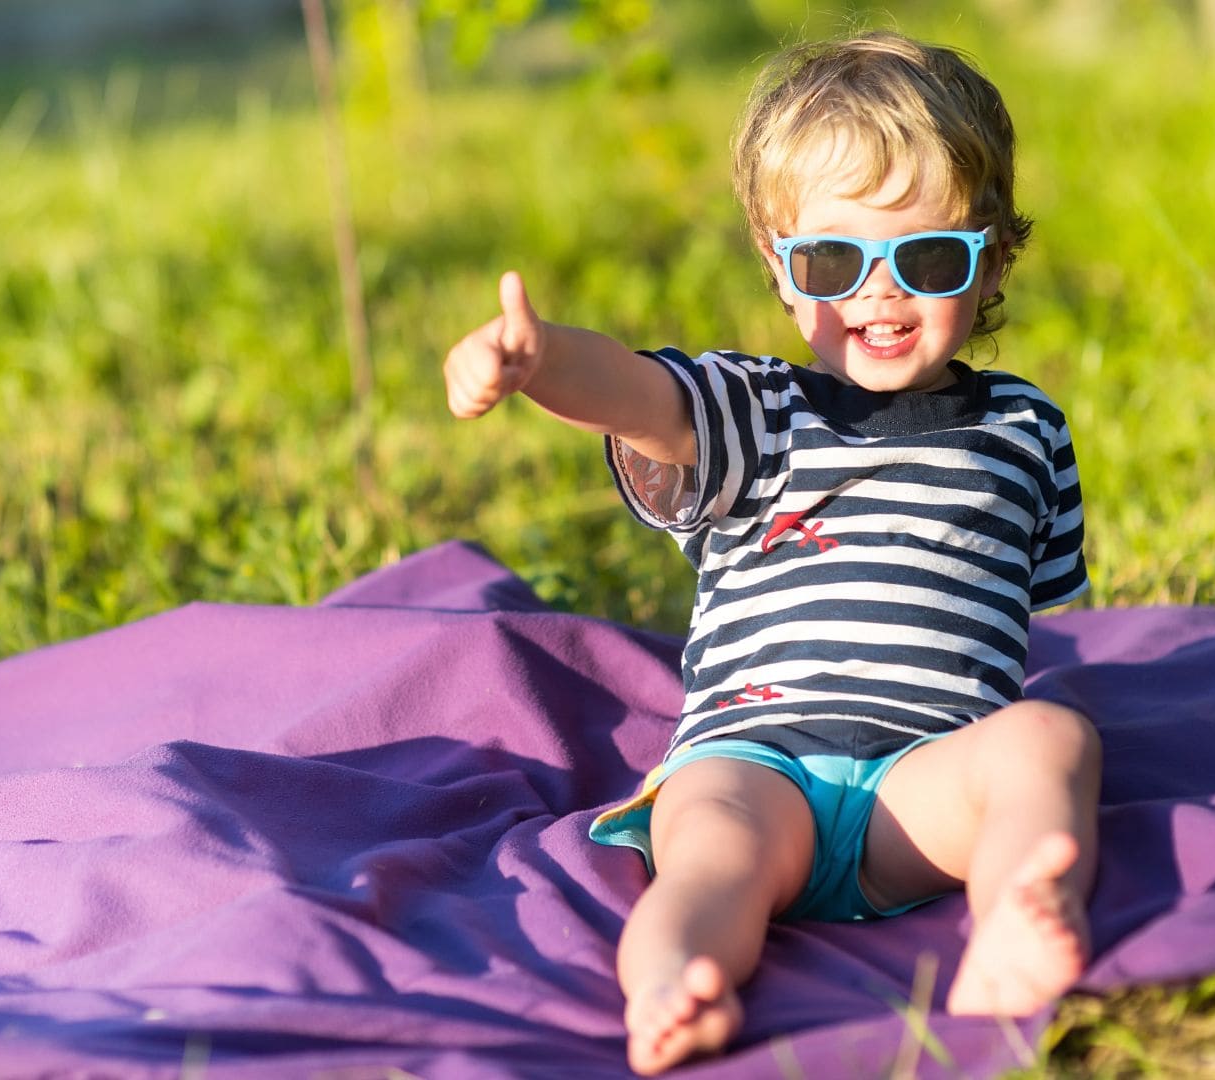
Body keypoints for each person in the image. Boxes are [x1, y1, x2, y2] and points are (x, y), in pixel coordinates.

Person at [442, 29, 1098, 1076]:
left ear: (993, 257)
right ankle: (678, 983)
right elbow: (639, 395)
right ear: (781, 269)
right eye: (834, 260)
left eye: (927, 257)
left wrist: (1006, 759)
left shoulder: (1027, 431)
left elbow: (1031, 621)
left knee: (1051, 739)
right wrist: (543, 360)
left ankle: (1021, 908)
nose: (879, 293)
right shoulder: (760, 411)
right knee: (710, 858)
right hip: (759, 762)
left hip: (921, 795)